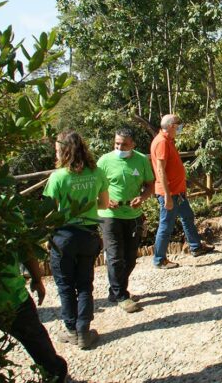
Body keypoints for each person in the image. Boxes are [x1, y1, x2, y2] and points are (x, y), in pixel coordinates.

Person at [0, 198, 68, 381]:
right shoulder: (1, 204)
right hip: (9, 297)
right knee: (40, 349)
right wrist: (36, 279)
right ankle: (54, 375)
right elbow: (25, 247)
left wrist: (37, 279)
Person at [44, 130, 109, 350]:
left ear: (63, 150)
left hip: (63, 237)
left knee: (65, 285)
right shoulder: (96, 173)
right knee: (84, 284)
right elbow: (103, 204)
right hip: (89, 234)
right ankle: (83, 331)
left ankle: (71, 330)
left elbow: (47, 211)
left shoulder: (58, 177)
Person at [97, 127, 155, 313]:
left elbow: (150, 184)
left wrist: (143, 197)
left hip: (133, 214)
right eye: (117, 143)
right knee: (114, 257)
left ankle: (115, 291)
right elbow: (96, 185)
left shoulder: (140, 159)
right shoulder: (104, 161)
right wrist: (105, 200)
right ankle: (121, 295)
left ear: (133, 144)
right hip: (109, 216)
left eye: (124, 144)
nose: (120, 147)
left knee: (130, 258)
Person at [151, 114, 214, 270]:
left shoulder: (168, 140)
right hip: (170, 193)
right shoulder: (161, 142)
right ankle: (159, 259)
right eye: (179, 124)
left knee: (187, 216)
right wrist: (167, 195)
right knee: (166, 225)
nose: (181, 127)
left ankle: (195, 247)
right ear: (172, 125)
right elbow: (160, 170)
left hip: (177, 192)